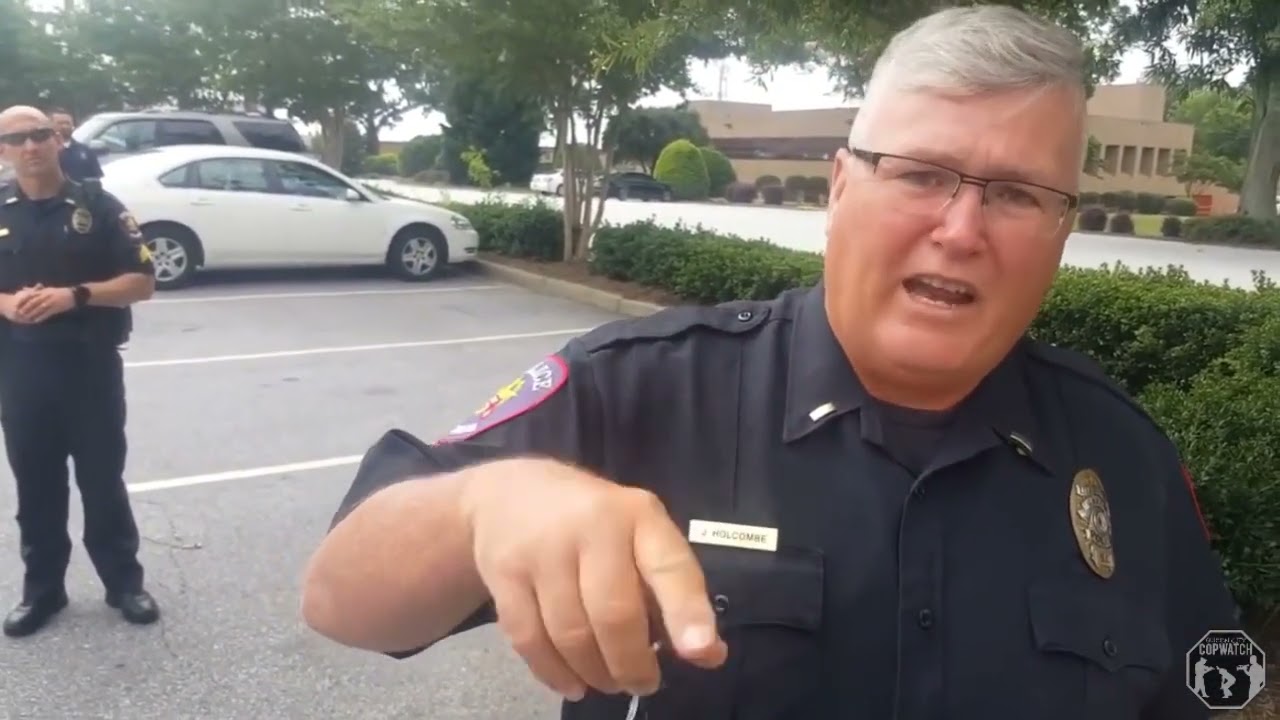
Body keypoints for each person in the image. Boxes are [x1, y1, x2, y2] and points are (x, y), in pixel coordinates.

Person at [300, 7, 1241, 719]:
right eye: (921, 174)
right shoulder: (644, 389)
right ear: (840, 187)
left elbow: (1222, 686)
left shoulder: (1125, 455)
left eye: (1019, 195)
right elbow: (342, 598)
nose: (961, 230)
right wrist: (484, 504)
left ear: (1062, 228)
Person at [0, 105, 159, 638]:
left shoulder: (100, 206)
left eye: (39, 134)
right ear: (3, 149)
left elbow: (142, 281)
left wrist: (77, 295)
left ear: (58, 139)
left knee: (102, 482)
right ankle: (42, 592)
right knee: (36, 487)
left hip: (89, 370)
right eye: (16, 138)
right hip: (21, 372)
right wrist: (6, 304)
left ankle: (124, 584)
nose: (30, 146)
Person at [48, 107, 103, 183]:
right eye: (60, 123)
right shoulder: (45, 151)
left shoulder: (85, 151)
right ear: (50, 125)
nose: (64, 126)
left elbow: (96, 178)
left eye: (67, 123)